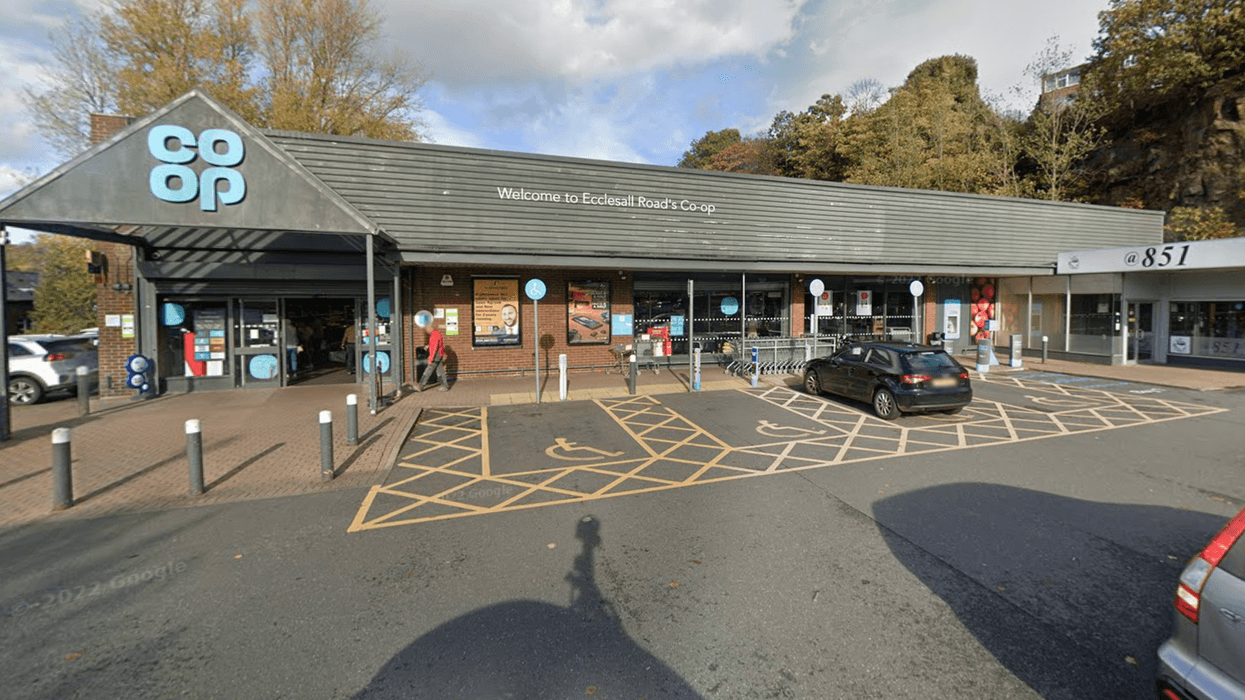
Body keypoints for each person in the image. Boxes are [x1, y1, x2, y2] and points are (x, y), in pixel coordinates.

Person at [417, 321, 450, 391]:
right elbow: (438, 345)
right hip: (439, 354)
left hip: (436, 356)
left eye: (426, 329)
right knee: (440, 371)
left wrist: (430, 359)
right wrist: (429, 346)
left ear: (430, 327)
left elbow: (434, 348)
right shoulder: (437, 333)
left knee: (428, 370)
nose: (426, 330)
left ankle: (420, 386)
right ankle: (445, 386)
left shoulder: (434, 335)